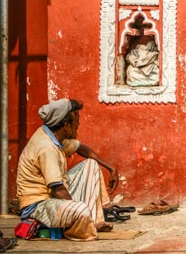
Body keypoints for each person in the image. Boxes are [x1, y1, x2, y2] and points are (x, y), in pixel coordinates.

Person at [16, 98, 120, 241]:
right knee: (81, 209)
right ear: (65, 125)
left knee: (91, 165)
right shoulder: (46, 147)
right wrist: (77, 209)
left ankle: (92, 222)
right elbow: (58, 189)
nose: (78, 124)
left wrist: (111, 168)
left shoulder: (55, 136)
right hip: (37, 205)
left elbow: (83, 149)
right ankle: (87, 225)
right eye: (76, 121)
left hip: (52, 195)